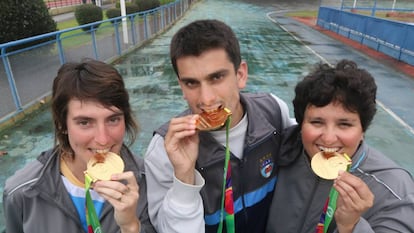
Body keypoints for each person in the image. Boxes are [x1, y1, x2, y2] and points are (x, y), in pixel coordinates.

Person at [144, 19, 295, 233]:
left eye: (216, 77)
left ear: (240, 74)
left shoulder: (274, 112)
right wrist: (184, 177)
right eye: (191, 83)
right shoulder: (164, 150)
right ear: (181, 86)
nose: (206, 99)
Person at [3, 59, 156, 233]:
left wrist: (130, 226)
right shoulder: (22, 192)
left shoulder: (149, 181)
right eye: (85, 122)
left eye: (113, 120)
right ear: (62, 124)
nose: (103, 139)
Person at [266, 59, 414, 233]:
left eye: (344, 124)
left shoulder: (394, 188)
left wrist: (351, 226)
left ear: (363, 131)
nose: (328, 139)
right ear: (301, 125)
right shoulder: (277, 149)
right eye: (316, 122)